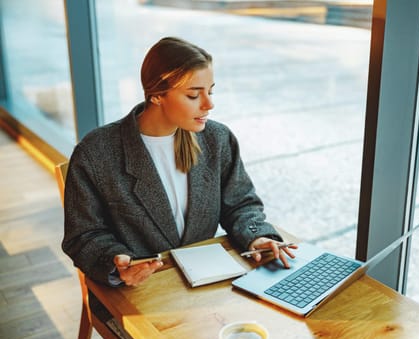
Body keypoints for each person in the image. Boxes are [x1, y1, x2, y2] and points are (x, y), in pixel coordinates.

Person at [62, 37, 297, 287]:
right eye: (194, 95)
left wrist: (256, 236)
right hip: (137, 289)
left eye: (210, 91)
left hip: (209, 280)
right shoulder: (96, 153)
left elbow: (240, 204)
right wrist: (114, 262)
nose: (209, 104)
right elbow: (83, 235)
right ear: (157, 96)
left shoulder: (217, 139)